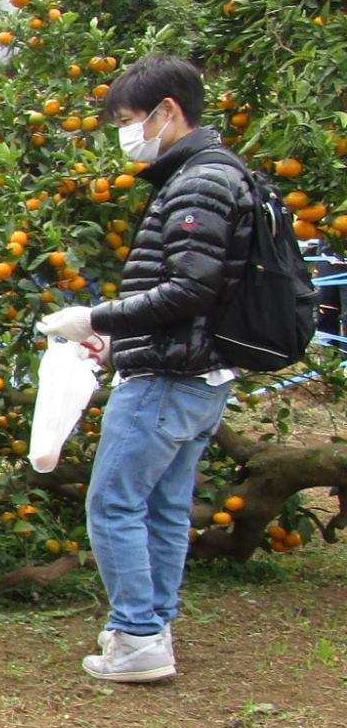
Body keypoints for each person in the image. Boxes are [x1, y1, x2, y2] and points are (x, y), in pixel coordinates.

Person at [38, 56, 248, 683]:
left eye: (131, 120)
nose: (128, 134)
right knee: (161, 507)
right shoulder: (217, 173)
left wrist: (97, 318)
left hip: (167, 385)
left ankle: (137, 634)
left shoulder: (199, 184)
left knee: (114, 506)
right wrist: (119, 348)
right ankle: (150, 623)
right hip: (196, 376)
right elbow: (194, 307)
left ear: (168, 111)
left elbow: (188, 291)